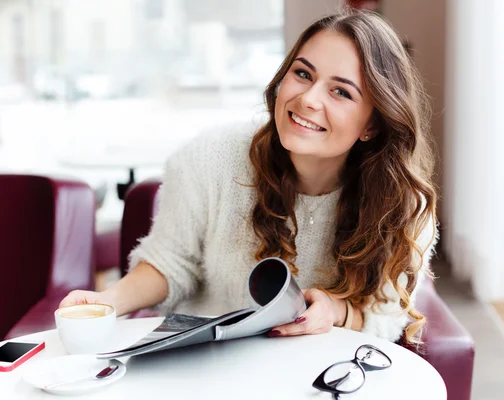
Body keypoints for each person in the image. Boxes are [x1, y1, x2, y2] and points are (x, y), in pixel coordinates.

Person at [59, 8, 438, 345]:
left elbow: (386, 317)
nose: (308, 99)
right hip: (210, 366)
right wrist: (106, 301)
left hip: (318, 375)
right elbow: (171, 262)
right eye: (303, 74)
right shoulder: (208, 159)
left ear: (371, 124)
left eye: (340, 92)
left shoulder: (403, 203)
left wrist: (336, 311)